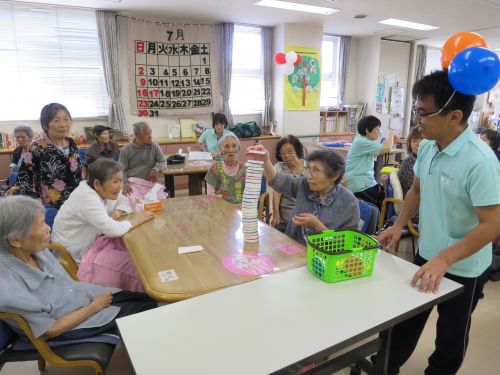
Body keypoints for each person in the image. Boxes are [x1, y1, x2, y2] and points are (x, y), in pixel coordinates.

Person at [377, 70, 500, 375]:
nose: (416, 121)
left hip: (464, 265)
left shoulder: (480, 161)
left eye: (422, 113)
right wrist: (398, 224)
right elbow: (417, 188)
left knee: (451, 335)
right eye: (415, 112)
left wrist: (445, 258)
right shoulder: (429, 146)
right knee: (404, 321)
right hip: (428, 253)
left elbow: (493, 223)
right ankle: (383, 368)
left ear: (454, 116)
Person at [0, 196, 156, 340]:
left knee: (150, 297)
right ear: (15, 241)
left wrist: (93, 301)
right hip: (70, 324)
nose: (48, 228)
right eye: (41, 224)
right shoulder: (7, 287)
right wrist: (94, 307)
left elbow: (66, 284)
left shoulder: (32, 249)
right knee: (150, 311)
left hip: (79, 297)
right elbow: (51, 329)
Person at [52, 159, 154, 291]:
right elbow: (112, 230)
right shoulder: (87, 197)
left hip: (96, 242)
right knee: (141, 271)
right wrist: (137, 220)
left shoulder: (99, 189)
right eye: (115, 181)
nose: (120, 186)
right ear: (97, 183)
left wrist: (117, 211)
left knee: (141, 254)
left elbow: (125, 200)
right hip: (81, 253)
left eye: (121, 180)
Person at [246, 145, 360, 245]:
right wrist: (265, 160)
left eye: (316, 170)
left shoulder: (348, 202)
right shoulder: (305, 185)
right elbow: (279, 181)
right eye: (309, 169)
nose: (309, 176)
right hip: (292, 247)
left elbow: (348, 243)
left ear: (335, 175)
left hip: (323, 259)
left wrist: (318, 226)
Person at [16, 103, 82, 209]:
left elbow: (78, 175)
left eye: (66, 119)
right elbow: (23, 178)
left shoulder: (72, 144)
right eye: (56, 120)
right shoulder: (36, 148)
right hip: (54, 207)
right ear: (46, 124)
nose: (63, 124)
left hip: (78, 203)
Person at [345, 115, 394, 208]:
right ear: (367, 130)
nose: (378, 132)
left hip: (364, 181)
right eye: (377, 129)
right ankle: (379, 221)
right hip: (359, 184)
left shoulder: (362, 138)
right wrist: (392, 134)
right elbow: (387, 148)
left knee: (385, 193)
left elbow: (378, 141)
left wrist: (378, 132)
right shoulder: (361, 142)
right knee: (383, 201)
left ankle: (381, 220)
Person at [272, 135, 307, 233]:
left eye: (290, 151)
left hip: (307, 220)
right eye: (282, 153)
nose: (286, 156)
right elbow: (276, 192)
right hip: (285, 220)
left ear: (297, 151)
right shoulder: (279, 168)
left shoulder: (309, 167)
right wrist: (276, 214)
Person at [119, 122, 166, 195]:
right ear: (138, 135)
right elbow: (122, 170)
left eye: (151, 132)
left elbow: (163, 162)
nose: (150, 136)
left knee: (160, 197)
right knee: (131, 198)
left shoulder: (154, 146)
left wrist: (155, 169)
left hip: (149, 182)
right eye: (147, 134)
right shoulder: (125, 150)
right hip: (133, 183)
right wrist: (125, 184)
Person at [205, 133, 246, 204]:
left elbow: (252, 197)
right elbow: (210, 197)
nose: (230, 150)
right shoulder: (214, 169)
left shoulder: (246, 169)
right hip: (221, 210)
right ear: (221, 150)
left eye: (234, 146)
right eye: (227, 146)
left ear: (238, 149)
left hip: (243, 210)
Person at [397, 126, 423, 197]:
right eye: (414, 141)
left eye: (422, 140)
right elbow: (417, 189)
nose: (418, 144)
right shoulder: (408, 163)